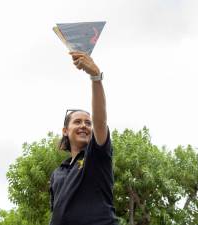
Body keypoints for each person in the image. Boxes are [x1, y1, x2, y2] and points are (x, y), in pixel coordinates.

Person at [49, 52, 118, 225]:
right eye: (77, 122)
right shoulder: (58, 172)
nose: (84, 126)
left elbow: (100, 122)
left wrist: (95, 77)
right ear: (65, 130)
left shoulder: (96, 155)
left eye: (88, 123)